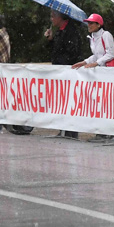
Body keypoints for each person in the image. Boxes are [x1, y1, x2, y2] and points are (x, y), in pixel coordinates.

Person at [45, 10, 82, 138]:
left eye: (53, 16)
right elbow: (55, 50)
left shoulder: (71, 32)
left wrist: (61, 63)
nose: (51, 19)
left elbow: (73, 53)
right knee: (61, 101)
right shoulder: (60, 31)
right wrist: (50, 40)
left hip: (68, 72)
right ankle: (63, 129)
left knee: (70, 101)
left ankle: (71, 131)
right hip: (60, 72)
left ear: (60, 17)